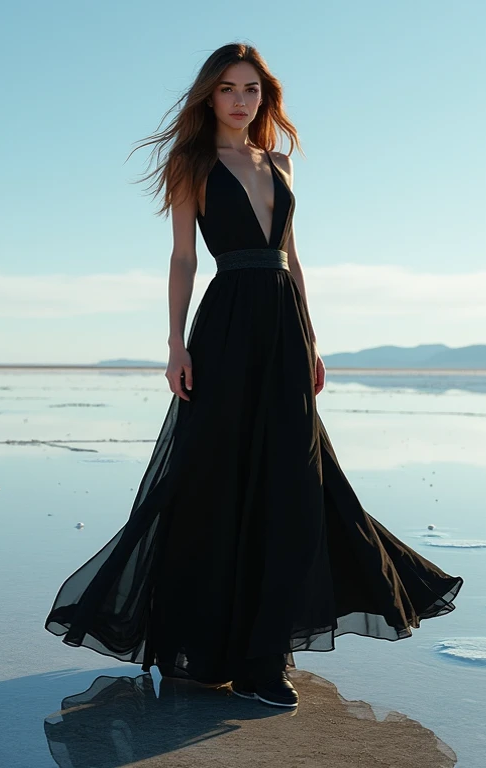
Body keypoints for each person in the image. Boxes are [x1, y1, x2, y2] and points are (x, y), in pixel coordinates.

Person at [44, 42, 464, 709]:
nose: (241, 100)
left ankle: (266, 656)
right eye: (228, 89)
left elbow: (292, 256)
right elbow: (183, 258)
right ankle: (204, 646)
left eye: (252, 90)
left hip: (285, 330)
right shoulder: (192, 164)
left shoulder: (282, 162)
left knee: (293, 483)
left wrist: (313, 337)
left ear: (264, 97)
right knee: (213, 476)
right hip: (226, 326)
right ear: (210, 97)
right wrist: (176, 344)